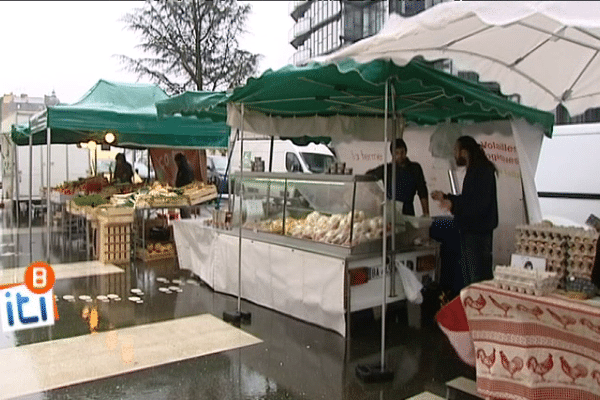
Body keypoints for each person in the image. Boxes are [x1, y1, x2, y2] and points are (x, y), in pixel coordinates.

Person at [432, 135, 498, 286]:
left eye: (456, 150)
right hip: (471, 232)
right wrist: (446, 197)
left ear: (464, 151)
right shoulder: (474, 169)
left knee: (478, 280)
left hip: (478, 234)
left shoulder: (482, 171)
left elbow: (478, 205)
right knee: (471, 279)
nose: (454, 154)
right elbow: (469, 198)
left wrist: (453, 206)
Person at [365, 138, 429, 216]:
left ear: (406, 152)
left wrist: (426, 213)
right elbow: (367, 177)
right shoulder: (387, 169)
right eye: (397, 153)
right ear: (392, 154)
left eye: (402, 152)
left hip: (408, 209)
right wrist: (378, 193)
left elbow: (422, 191)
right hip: (390, 210)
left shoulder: (415, 168)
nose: (400, 155)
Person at [174, 153, 195, 218]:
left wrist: (180, 189)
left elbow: (187, 182)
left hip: (185, 194)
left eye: (177, 162)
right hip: (182, 194)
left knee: (185, 212)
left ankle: (187, 224)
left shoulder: (186, 170)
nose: (176, 164)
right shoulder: (182, 168)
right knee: (183, 212)